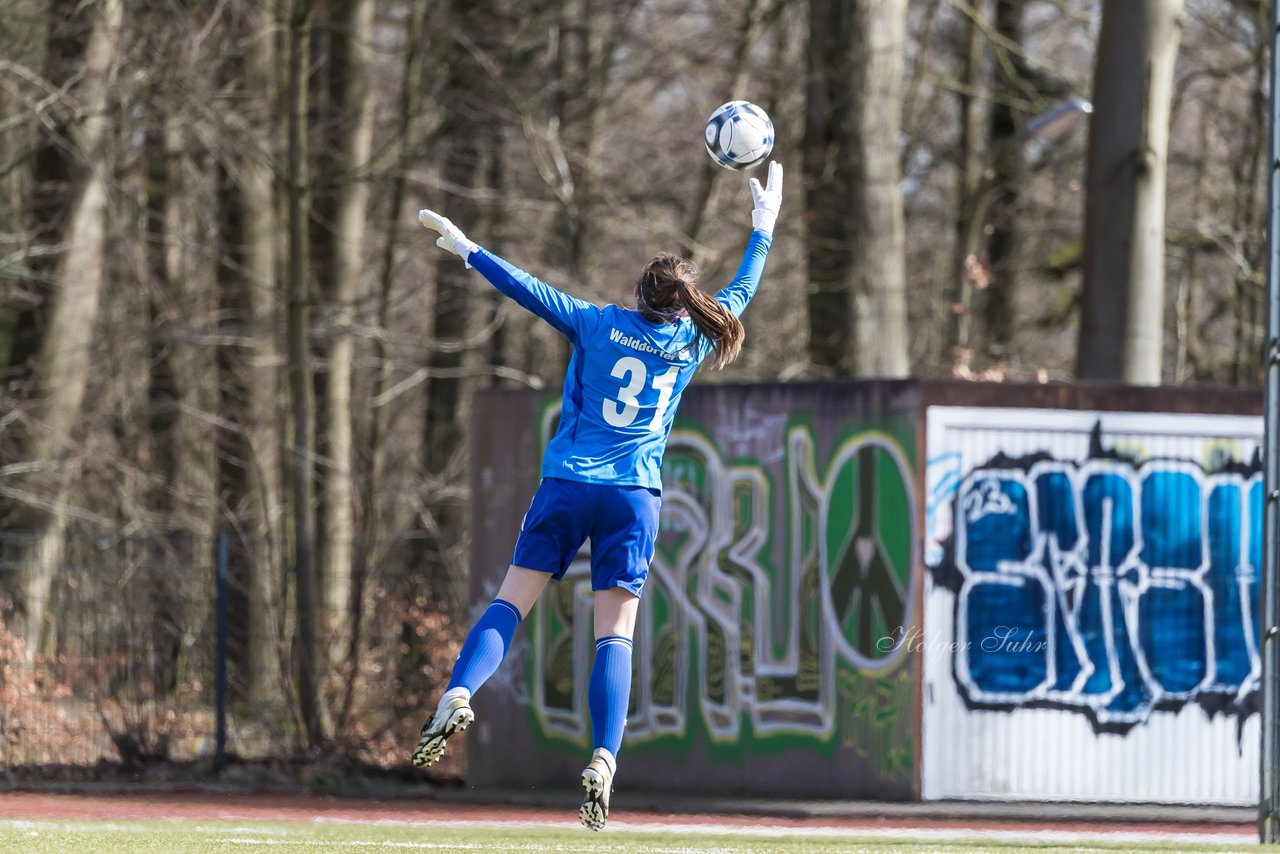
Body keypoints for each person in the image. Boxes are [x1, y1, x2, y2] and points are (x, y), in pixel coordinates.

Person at [411, 161, 783, 831]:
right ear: (683, 302)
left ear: (638, 292)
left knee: (510, 602)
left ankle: (461, 691)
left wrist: (470, 250)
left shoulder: (594, 322)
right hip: (633, 497)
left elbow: (528, 290)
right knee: (616, 631)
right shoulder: (694, 340)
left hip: (569, 485)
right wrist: (763, 227)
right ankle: (605, 757)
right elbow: (744, 291)